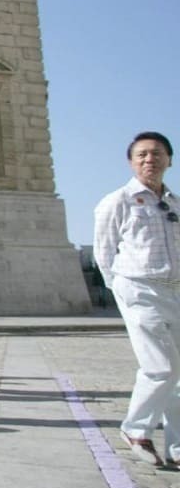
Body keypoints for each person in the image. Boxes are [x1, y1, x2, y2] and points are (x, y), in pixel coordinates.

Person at [94, 131, 180, 467]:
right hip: (140, 288)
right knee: (161, 366)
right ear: (131, 162)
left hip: (175, 288)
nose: (149, 160)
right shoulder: (118, 201)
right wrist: (120, 289)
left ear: (169, 160)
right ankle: (136, 428)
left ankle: (176, 446)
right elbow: (103, 252)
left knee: (179, 372)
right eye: (142, 154)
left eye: (156, 153)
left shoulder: (174, 202)